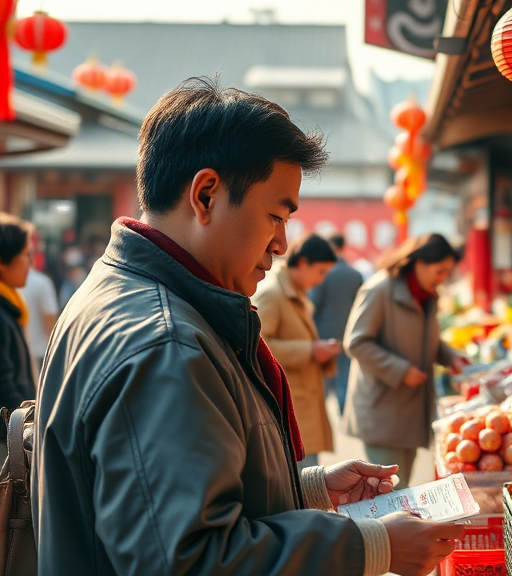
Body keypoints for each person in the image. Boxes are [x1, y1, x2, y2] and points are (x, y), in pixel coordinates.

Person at [33, 77, 464, 576]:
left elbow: (165, 497)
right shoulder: (166, 342)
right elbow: (191, 559)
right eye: (276, 216)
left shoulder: (120, 293)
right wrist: (371, 546)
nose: (281, 243)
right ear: (207, 195)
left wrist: (309, 487)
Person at [344, 234, 467, 486]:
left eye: (447, 272)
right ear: (419, 263)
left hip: (411, 410)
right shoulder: (379, 289)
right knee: (387, 493)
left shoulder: (427, 294)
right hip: (383, 410)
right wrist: (400, 371)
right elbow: (356, 343)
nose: (443, 278)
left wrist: (451, 357)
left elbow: (427, 340)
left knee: (402, 490)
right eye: (439, 270)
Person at [254, 233, 342, 471]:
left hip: (301, 402)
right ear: (303, 263)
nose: (321, 280)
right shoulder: (273, 293)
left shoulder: (293, 292)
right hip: (290, 407)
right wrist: (310, 350)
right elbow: (257, 344)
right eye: (320, 271)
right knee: (304, 482)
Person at [309, 234, 363, 411]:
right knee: (345, 380)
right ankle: (345, 417)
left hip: (323, 333)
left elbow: (314, 304)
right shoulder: (355, 274)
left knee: (322, 382)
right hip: (348, 333)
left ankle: (320, 418)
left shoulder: (323, 274)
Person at [0, 213, 34, 415]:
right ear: (3, 261)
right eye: (26, 255)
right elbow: (4, 386)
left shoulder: (10, 305)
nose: (32, 264)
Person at [21, 263, 59, 370]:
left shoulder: (8, 283)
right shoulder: (42, 283)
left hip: (20, 354)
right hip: (41, 353)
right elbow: (50, 320)